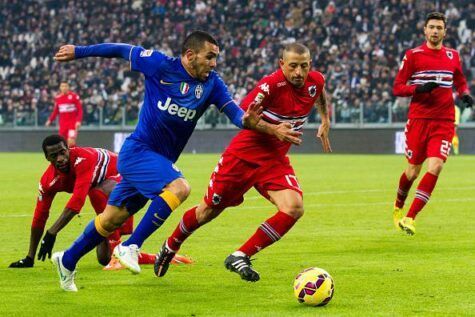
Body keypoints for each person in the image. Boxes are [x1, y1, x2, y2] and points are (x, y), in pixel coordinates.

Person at [50, 31, 300, 291]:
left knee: (110, 220)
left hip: (158, 161)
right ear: (190, 55)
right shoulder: (159, 65)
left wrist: (254, 123)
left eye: (216, 58)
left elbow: (237, 116)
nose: (214, 63)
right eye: (209, 57)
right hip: (138, 152)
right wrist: (79, 51)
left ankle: (66, 260)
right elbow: (121, 49)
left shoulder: (212, 84)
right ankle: (130, 246)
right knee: (179, 188)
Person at [154, 42, 331, 282]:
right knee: (207, 211)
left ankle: (240, 255)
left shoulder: (315, 80)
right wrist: (273, 129)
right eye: (293, 67)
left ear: (310, 65)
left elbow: (319, 92)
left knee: (294, 207)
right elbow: (244, 117)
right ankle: (171, 245)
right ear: (282, 65)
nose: (298, 73)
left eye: (303, 66)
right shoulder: (270, 85)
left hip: (274, 161)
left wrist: (325, 119)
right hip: (242, 158)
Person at [8, 135, 162, 268]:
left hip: (126, 174)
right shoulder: (48, 181)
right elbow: (39, 217)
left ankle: (119, 248)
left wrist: (52, 232)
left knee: (95, 191)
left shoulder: (83, 159)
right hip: (102, 186)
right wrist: (30, 257)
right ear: (47, 158)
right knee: (104, 258)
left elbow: (77, 202)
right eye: (54, 156)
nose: (60, 158)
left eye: (62, 152)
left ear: (68, 148)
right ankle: (129, 252)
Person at [392, 12, 473, 235]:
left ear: (445, 31)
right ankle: (398, 207)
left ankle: (410, 217)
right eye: (432, 27)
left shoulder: (453, 55)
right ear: (425, 30)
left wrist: (464, 92)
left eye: (439, 27)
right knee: (412, 171)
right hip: (419, 120)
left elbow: (459, 79)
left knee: (436, 166)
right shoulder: (413, 56)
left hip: (444, 121)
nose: (435, 31)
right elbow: (397, 87)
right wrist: (418, 88)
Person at [45, 82, 83, 147]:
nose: (64, 88)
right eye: (62, 86)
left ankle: (75, 155)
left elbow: (80, 110)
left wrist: (78, 121)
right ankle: (73, 155)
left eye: (65, 86)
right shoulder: (58, 98)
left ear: (68, 87)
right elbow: (56, 111)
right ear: (60, 88)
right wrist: (50, 120)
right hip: (63, 124)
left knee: (71, 142)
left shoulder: (74, 97)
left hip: (72, 123)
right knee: (63, 142)